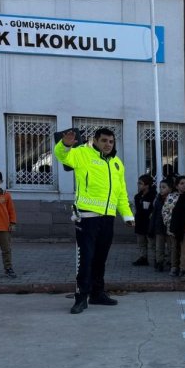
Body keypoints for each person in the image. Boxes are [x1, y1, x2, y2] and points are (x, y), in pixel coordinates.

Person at [55, 128, 134, 314]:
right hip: (87, 218)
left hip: (108, 218)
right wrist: (65, 144)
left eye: (111, 142)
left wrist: (128, 215)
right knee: (86, 259)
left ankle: (98, 294)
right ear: (95, 141)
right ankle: (81, 297)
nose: (108, 144)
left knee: (101, 259)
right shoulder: (83, 153)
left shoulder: (117, 164)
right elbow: (63, 156)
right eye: (104, 140)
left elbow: (121, 192)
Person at [163, 175, 185, 277]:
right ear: (177, 186)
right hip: (173, 227)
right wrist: (169, 223)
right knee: (174, 248)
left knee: (184, 248)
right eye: (181, 184)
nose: (184, 186)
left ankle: (184, 267)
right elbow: (166, 211)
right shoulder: (172, 196)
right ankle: (174, 267)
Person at [132, 173, 156, 266]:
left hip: (149, 223)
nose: (138, 185)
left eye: (141, 183)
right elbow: (137, 209)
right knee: (141, 242)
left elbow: (152, 209)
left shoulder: (153, 195)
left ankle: (156, 259)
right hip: (140, 222)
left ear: (147, 185)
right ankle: (143, 258)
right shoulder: (138, 196)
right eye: (138, 183)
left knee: (151, 243)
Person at [149, 178, 173, 272]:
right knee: (159, 247)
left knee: (171, 247)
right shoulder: (158, 199)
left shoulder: (172, 199)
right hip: (159, 226)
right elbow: (154, 214)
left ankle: (171, 262)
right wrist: (152, 227)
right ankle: (159, 262)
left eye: (164, 187)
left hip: (169, 227)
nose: (161, 189)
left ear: (170, 189)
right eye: (160, 187)